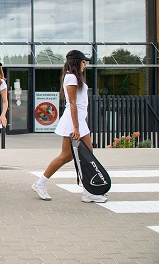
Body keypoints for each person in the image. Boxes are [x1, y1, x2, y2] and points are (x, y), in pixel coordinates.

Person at [31, 50, 107, 203]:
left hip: (78, 121)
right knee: (74, 156)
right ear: (76, 62)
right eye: (83, 62)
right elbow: (72, 103)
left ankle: (87, 192)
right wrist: (76, 128)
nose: (85, 64)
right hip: (73, 122)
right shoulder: (71, 77)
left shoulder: (74, 77)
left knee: (79, 156)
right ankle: (41, 183)